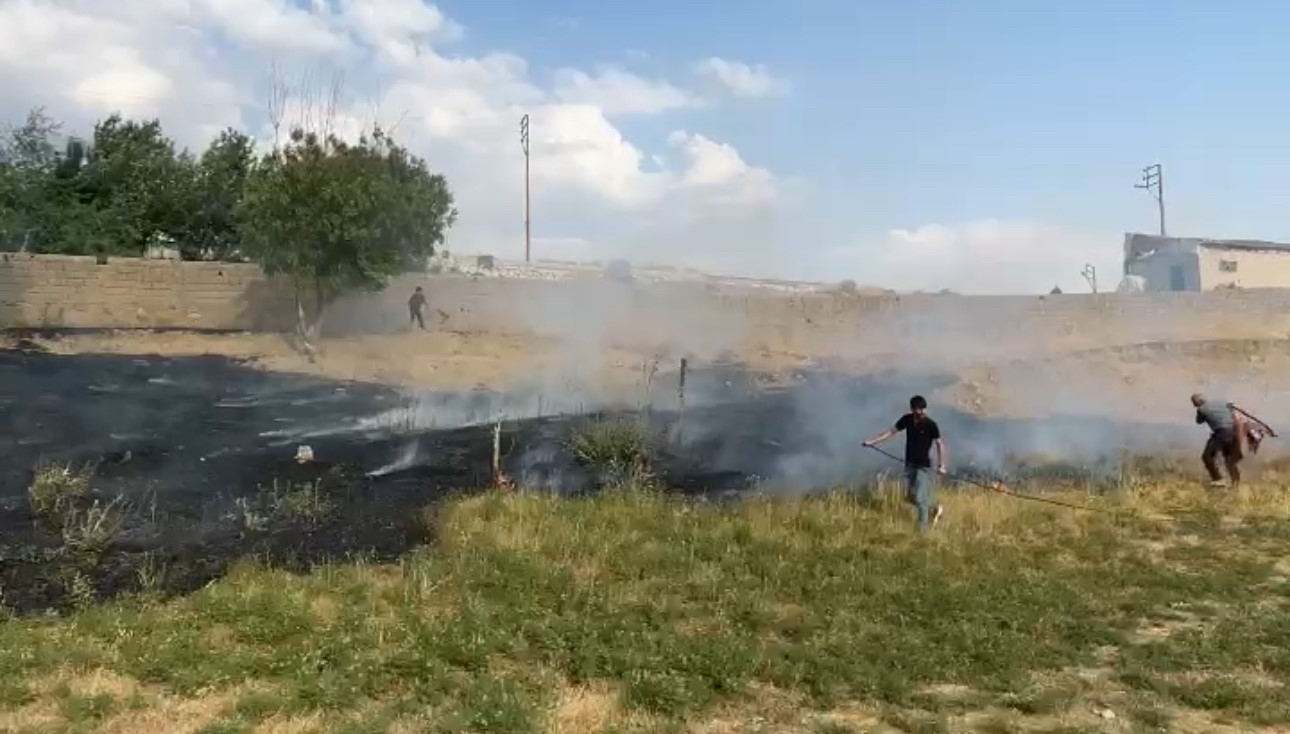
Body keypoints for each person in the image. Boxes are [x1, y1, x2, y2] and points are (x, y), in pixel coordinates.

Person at [862, 395, 947, 531]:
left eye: (922, 410)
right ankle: (935, 507)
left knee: (920, 498)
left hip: (923, 466)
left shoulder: (931, 425)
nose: (920, 413)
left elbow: (939, 444)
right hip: (910, 463)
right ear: (912, 409)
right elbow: (891, 432)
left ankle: (922, 531)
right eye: (917, 410)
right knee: (910, 497)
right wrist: (872, 442)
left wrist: (941, 465)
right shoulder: (906, 420)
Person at [1191, 393, 1247, 488]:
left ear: (1196, 403)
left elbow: (1199, 421)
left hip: (1222, 433)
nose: (1194, 405)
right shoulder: (1221, 403)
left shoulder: (1201, 409)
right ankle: (1236, 484)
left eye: (1194, 403)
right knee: (1229, 460)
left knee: (1206, 456)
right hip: (1234, 432)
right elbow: (1231, 406)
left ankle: (1218, 479)